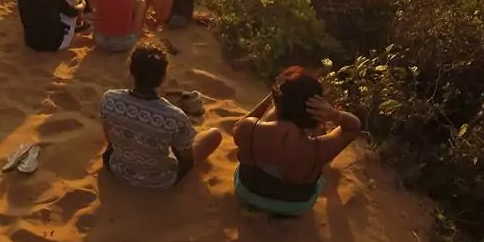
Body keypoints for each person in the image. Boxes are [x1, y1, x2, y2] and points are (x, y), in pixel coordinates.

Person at [231, 66, 362, 215]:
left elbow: (236, 128)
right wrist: (334, 115)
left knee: (261, 133)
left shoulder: (250, 129)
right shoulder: (318, 149)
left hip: (248, 191)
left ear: (276, 100)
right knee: (318, 153)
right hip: (294, 206)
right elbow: (353, 127)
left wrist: (271, 100)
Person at [99, 43, 222, 189]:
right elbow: (187, 157)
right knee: (215, 135)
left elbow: (109, 137)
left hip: (118, 169)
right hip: (161, 179)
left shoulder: (109, 99)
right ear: (163, 76)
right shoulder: (175, 116)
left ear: (131, 70)